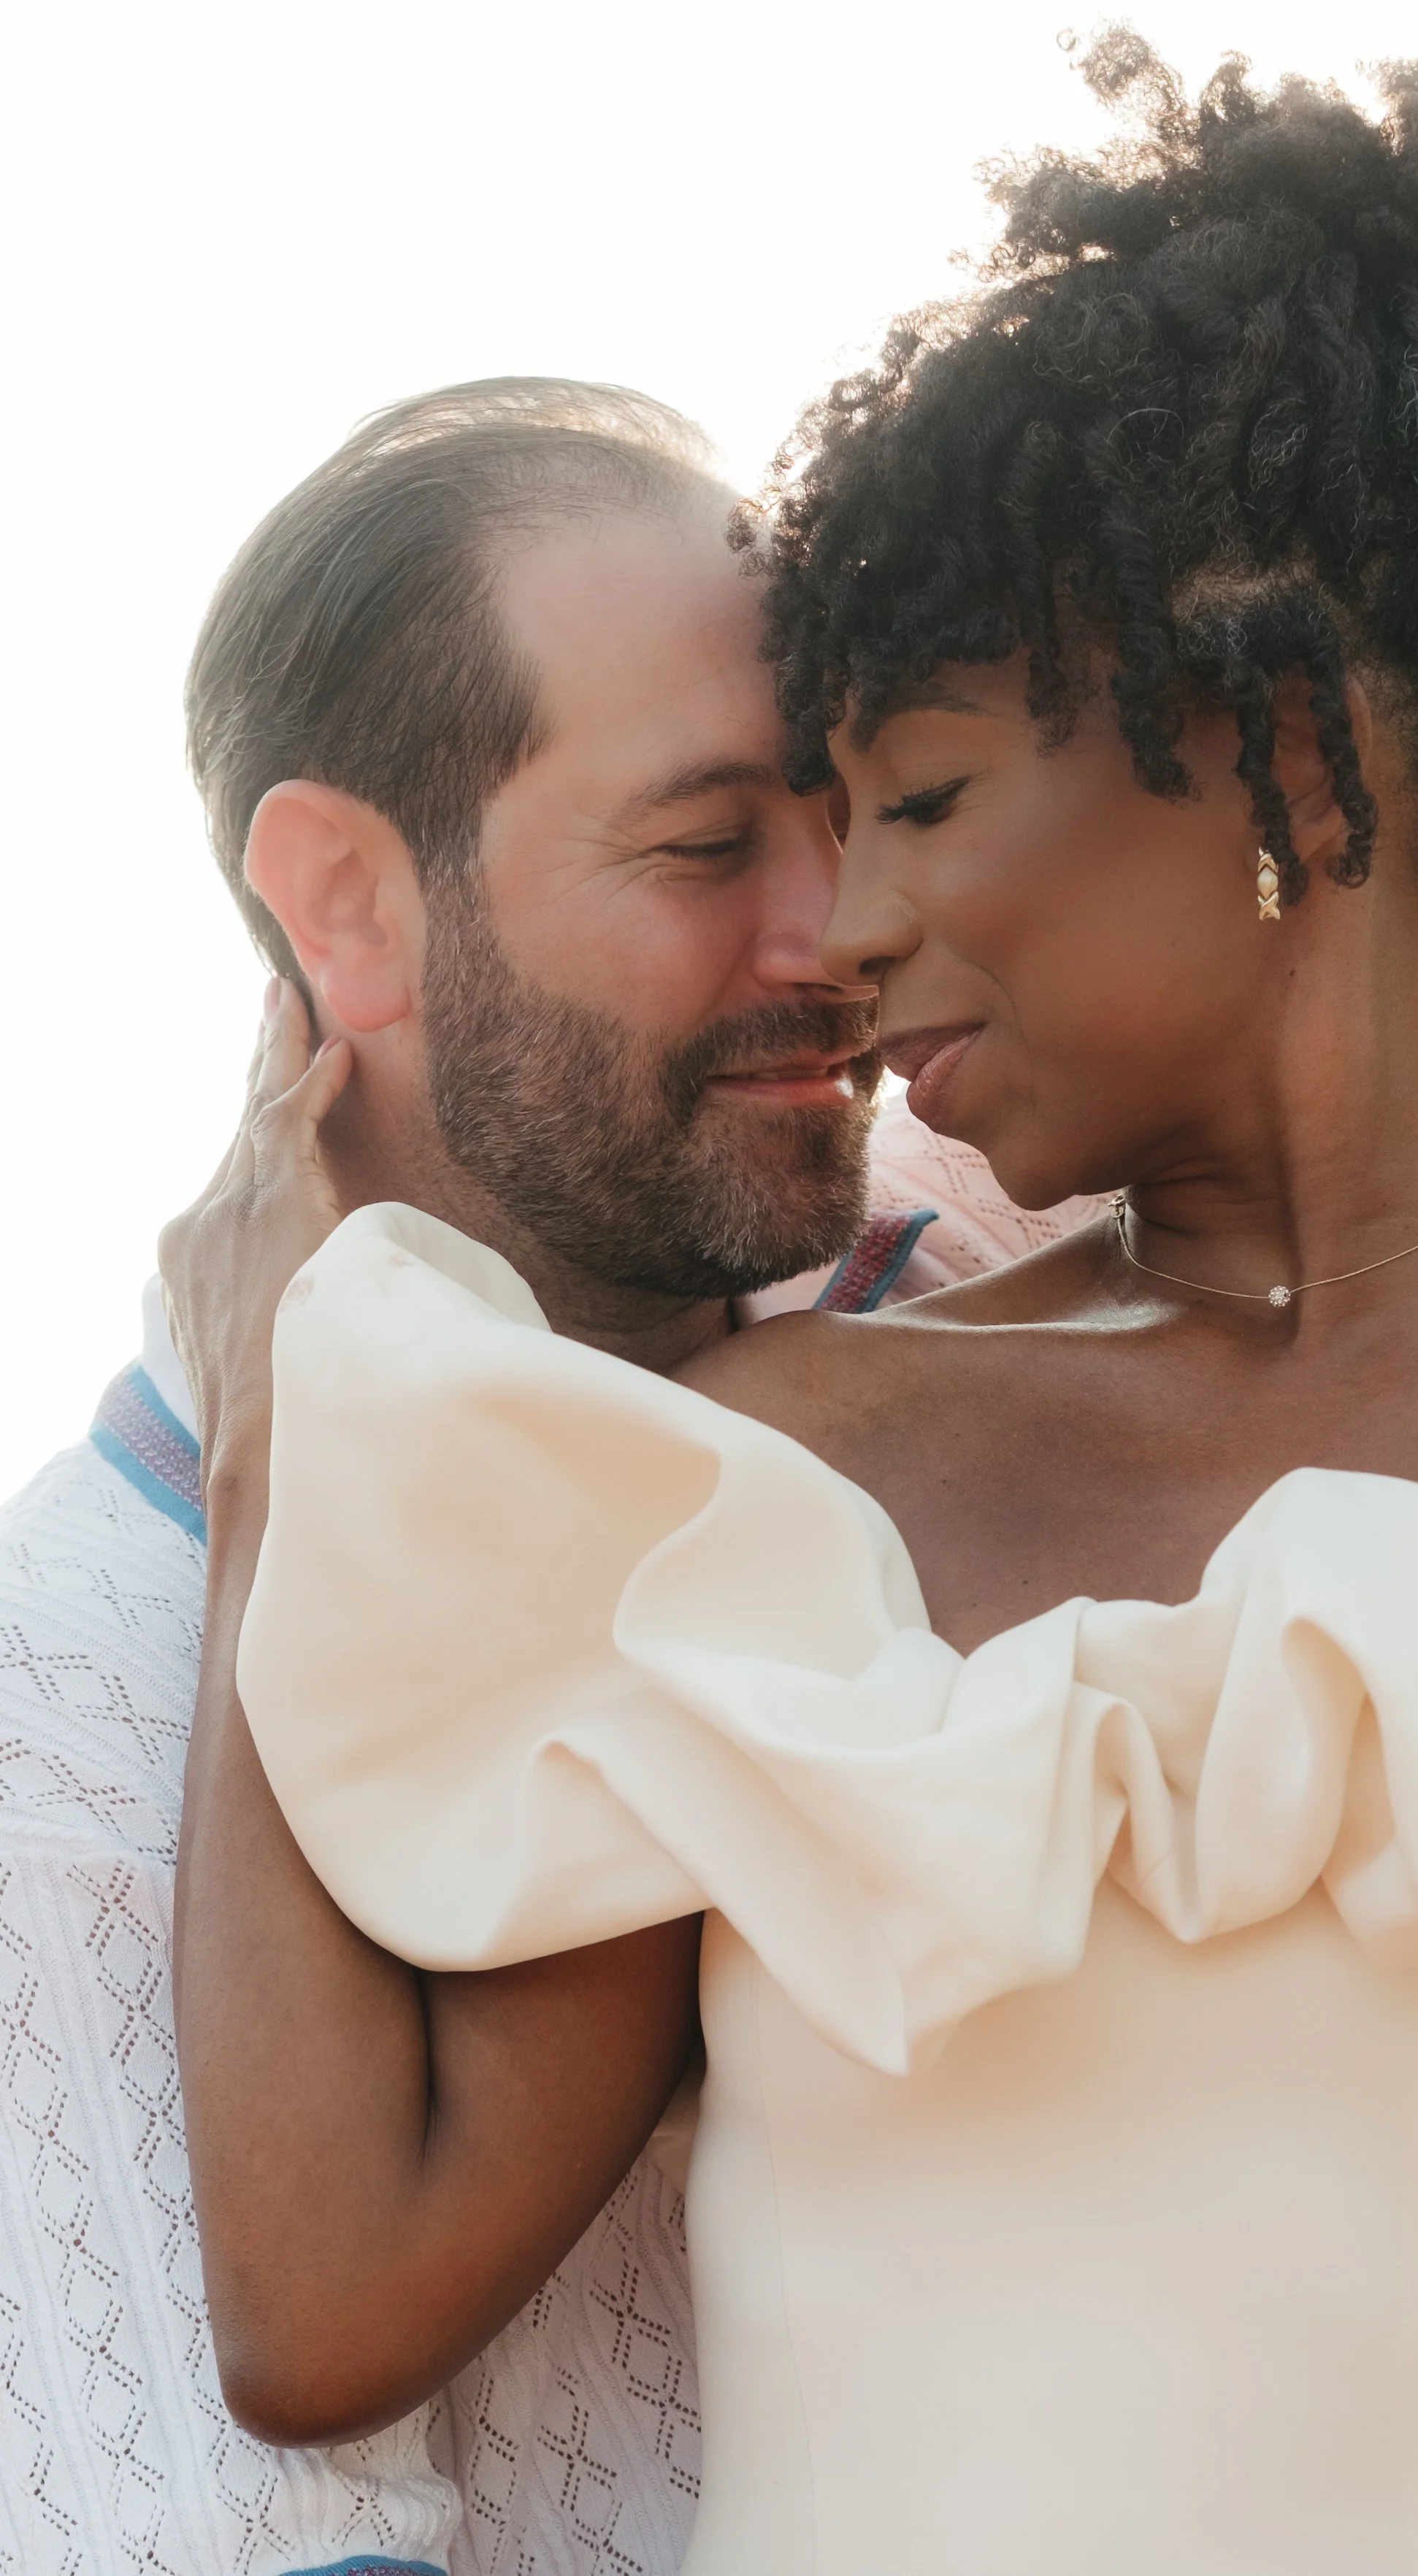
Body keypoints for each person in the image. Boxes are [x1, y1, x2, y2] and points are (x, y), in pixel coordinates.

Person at [164, 0, 1418, 2576]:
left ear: (1283, 763)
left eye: (913, 799)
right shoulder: (775, 1458)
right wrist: (281, 1410)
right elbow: (330, 2296)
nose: (854, 927)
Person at [0, 375, 1098, 2576]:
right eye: (706, 845)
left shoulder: (973, 1265)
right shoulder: (75, 1726)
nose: (844, 931)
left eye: (848, 810)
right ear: (351, 902)